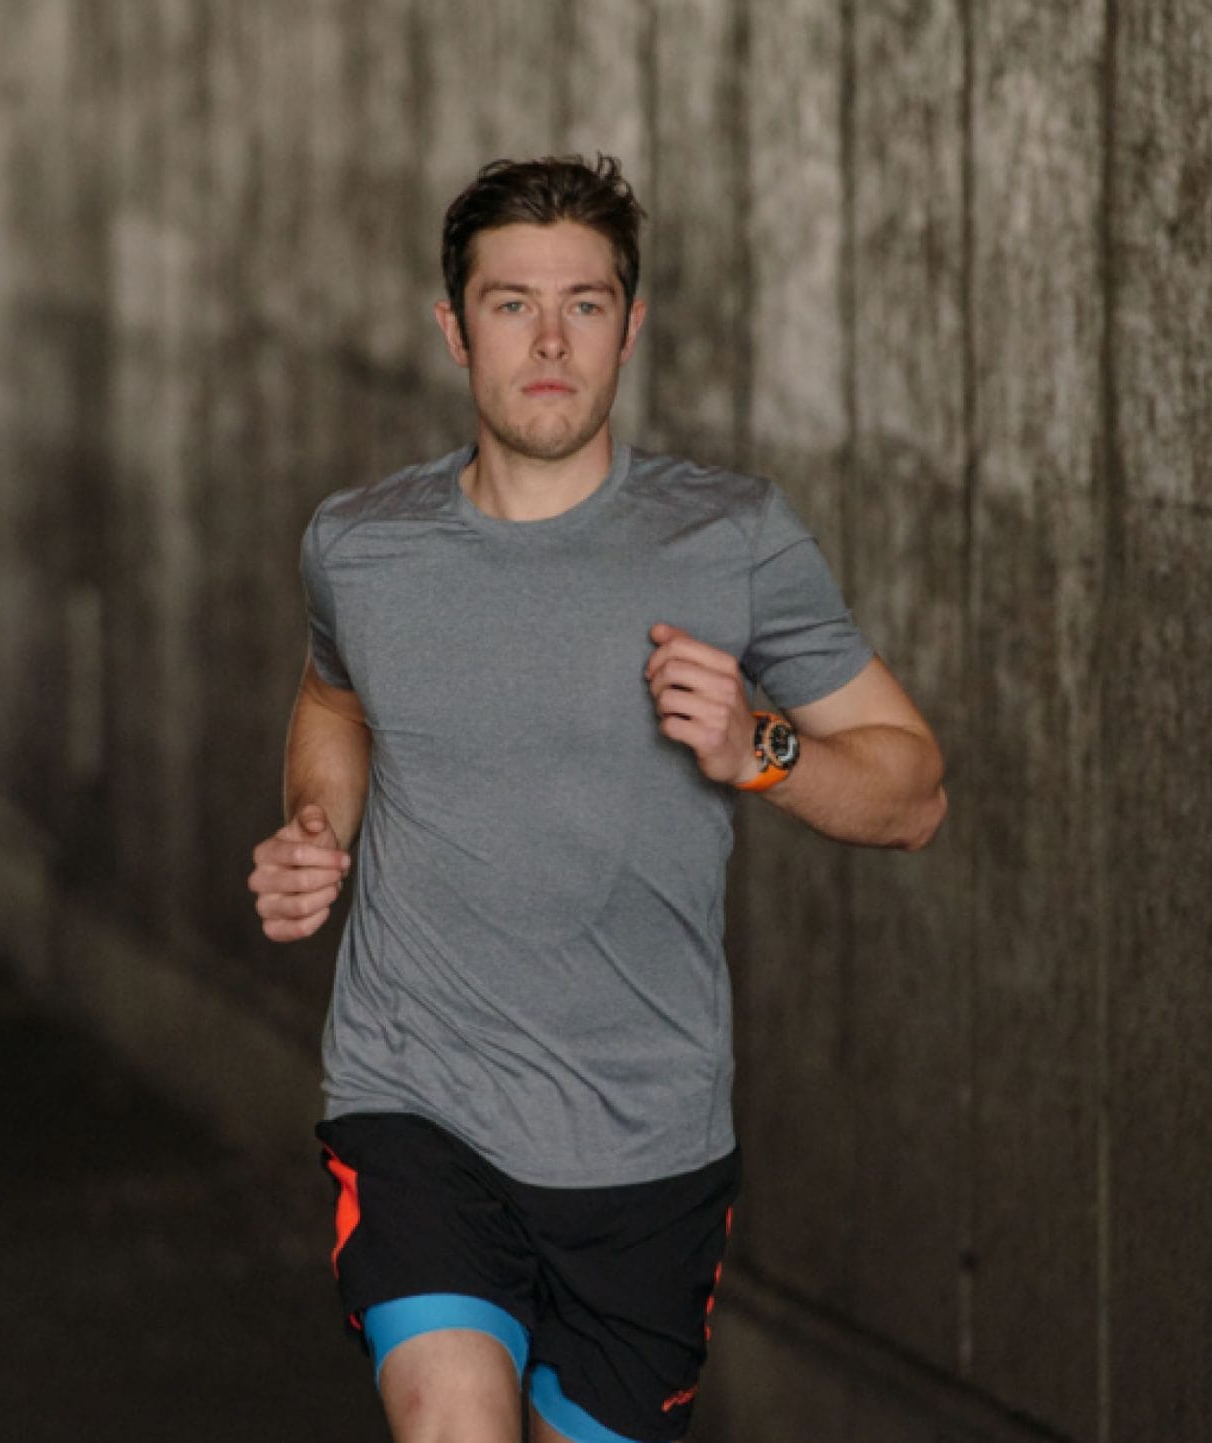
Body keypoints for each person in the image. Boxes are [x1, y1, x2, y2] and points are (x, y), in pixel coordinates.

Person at [248, 154, 946, 1443]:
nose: (551, 339)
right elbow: (335, 698)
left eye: (586, 302)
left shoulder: (731, 539)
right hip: (419, 1096)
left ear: (633, 323)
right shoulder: (362, 546)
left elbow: (913, 792)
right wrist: (316, 825)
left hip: (647, 1141)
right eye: (512, 304)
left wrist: (762, 748)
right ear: (455, 330)